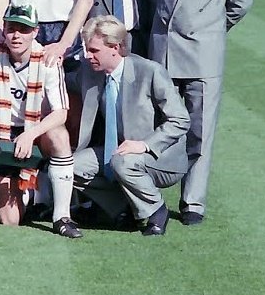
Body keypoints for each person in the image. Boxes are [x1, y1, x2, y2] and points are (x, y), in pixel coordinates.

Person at [145, 0, 252, 226]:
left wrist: (211, 29)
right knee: (159, 125)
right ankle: (150, 195)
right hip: (163, 52)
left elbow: (241, 0)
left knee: (199, 129)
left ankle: (193, 201)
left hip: (202, 54)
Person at [0, 0, 83, 238]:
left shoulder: (47, 60)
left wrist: (30, 135)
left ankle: (62, 216)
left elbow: (61, 112)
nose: (16, 35)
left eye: (23, 29)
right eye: (11, 28)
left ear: (35, 32)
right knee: (10, 221)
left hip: (35, 132)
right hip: (4, 135)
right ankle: (35, 193)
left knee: (59, 136)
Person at [71, 15, 190, 236]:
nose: (88, 56)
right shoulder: (89, 72)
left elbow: (180, 119)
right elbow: (65, 80)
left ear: (115, 47)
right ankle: (123, 210)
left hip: (161, 157)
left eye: (94, 50)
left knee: (122, 162)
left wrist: (145, 145)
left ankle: (156, 211)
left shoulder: (150, 72)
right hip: (118, 154)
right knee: (71, 167)